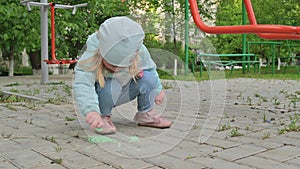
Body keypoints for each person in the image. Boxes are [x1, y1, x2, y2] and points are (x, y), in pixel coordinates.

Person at [73, 16, 172, 134]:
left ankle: (146, 114)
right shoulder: (92, 52)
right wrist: (91, 111)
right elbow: (83, 83)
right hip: (103, 93)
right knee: (111, 85)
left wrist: (158, 89)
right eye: (112, 65)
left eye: (122, 65)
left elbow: (150, 68)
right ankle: (102, 117)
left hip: (123, 89)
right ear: (101, 52)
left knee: (148, 78)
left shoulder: (139, 49)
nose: (117, 70)